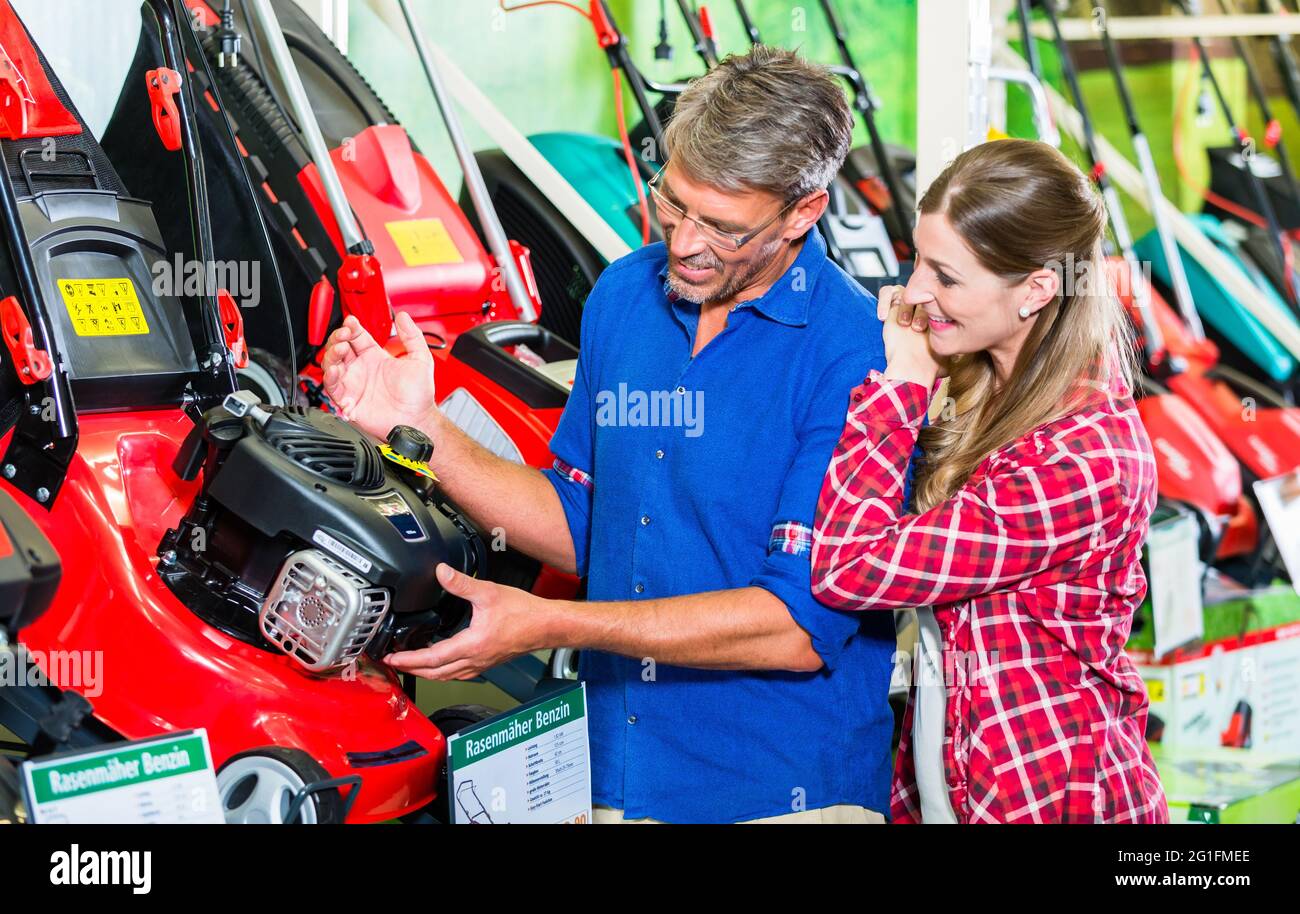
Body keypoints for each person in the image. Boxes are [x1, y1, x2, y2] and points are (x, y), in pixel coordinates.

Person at [320, 46, 898, 824]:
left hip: (777, 792)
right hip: (613, 777)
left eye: (722, 227)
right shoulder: (625, 296)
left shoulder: (855, 354)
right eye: (674, 203)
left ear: (803, 211)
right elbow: (585, 523)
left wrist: (549, 625)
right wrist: (416, 426)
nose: (686, 244)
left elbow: (796, 626)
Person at [811, 139, 1169, 824]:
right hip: (959, 786)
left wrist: (903, 386)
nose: (915, 291)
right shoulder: (990, 390)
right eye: (917, 259)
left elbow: (851, 568)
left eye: (947, 277)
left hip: (1056, 799)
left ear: (1036, 288)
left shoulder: (1080, 459)